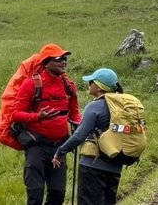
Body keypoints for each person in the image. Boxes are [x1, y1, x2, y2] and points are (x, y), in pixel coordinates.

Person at [10, 44, 80, 205]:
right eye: (58, 59)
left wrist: (80, 127)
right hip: (37, 146)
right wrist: (38, 117)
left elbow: (74, 112)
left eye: (65, 58)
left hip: (60, 147)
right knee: (35, 196)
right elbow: (15, 114)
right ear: (46, 63)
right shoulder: (31, 84)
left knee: (58, 196)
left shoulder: (68, 85)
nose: (63, 62)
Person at [54, 68, 126, 205]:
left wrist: (60, 151)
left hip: (93, 165)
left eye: (91, 82)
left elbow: (78, 137)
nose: (89, 84)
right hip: (115, 165)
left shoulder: (94, 106)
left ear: (98, 87)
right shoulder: (121, 106)